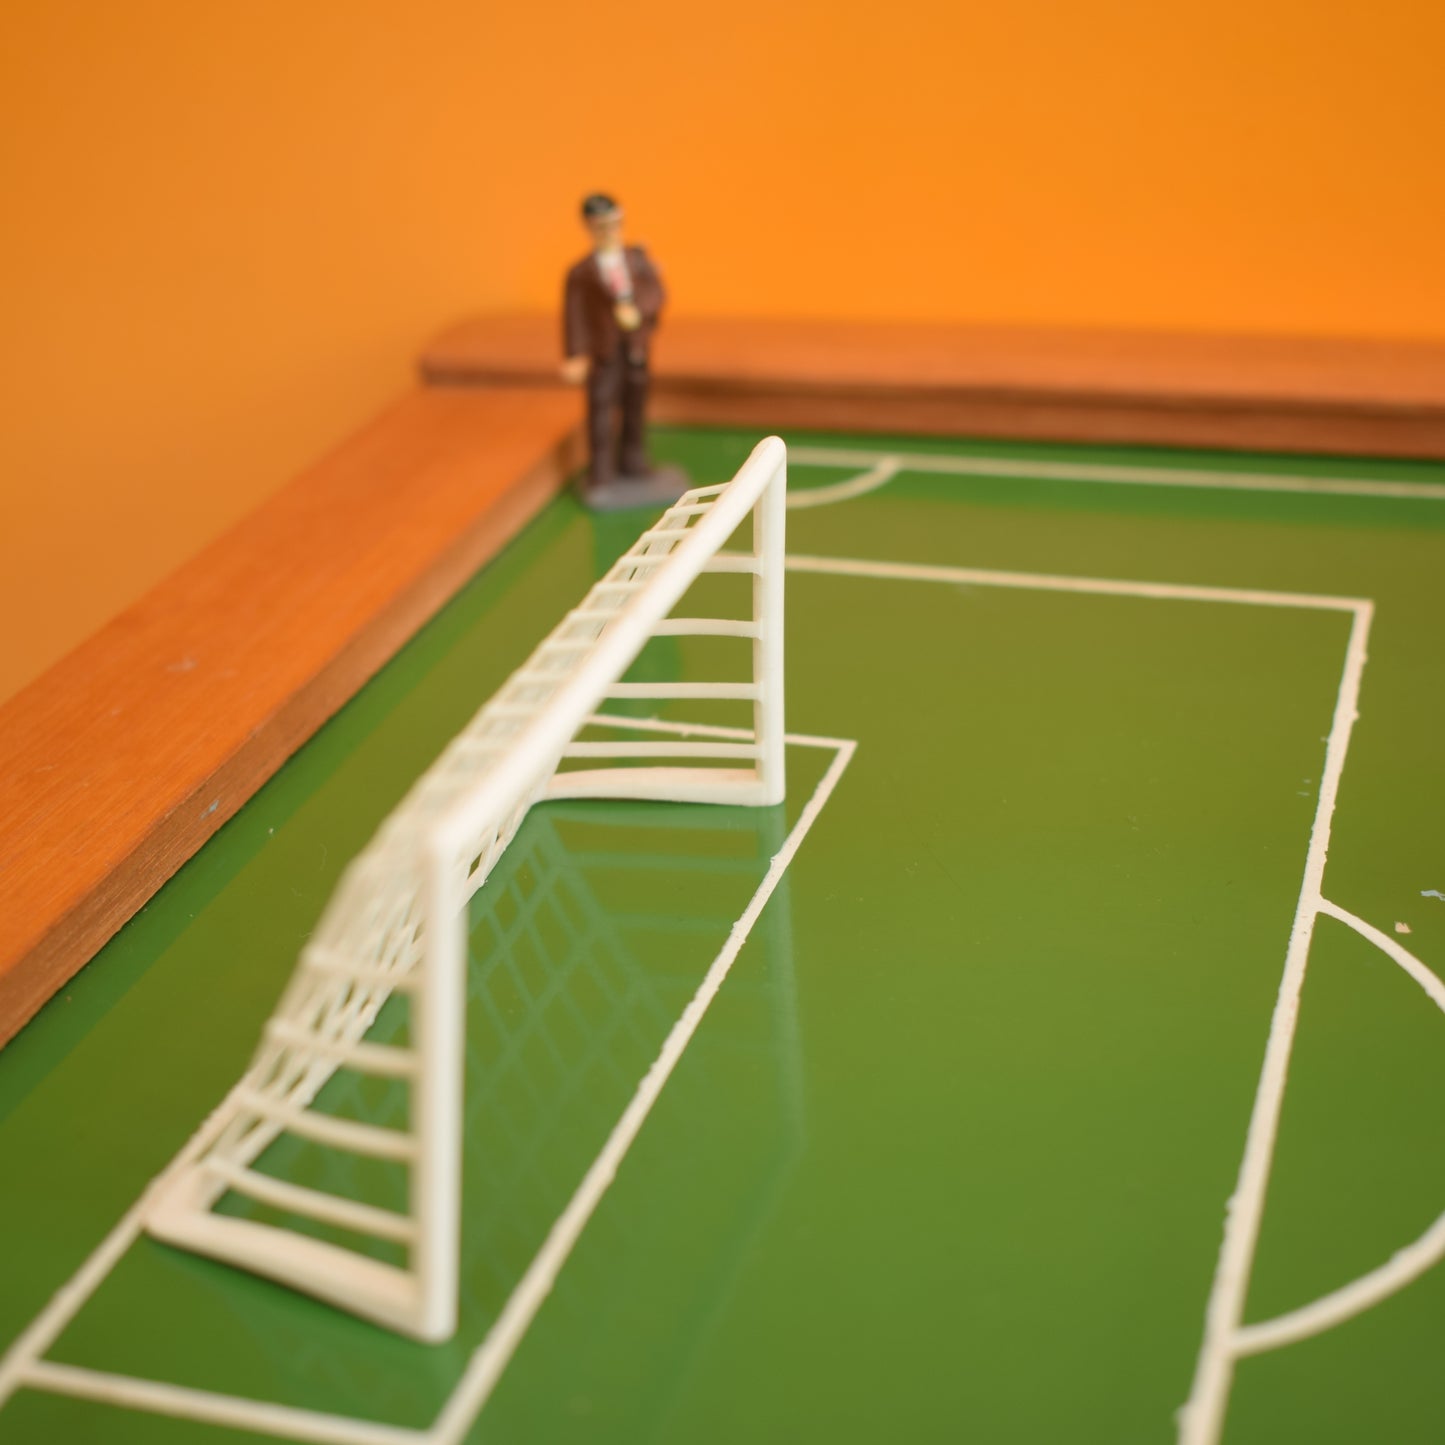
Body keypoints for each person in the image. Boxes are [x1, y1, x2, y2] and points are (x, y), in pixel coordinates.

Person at [561, 194, 687, 508]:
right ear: (589, 227)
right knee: (601, 409)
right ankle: (602, 472)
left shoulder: (638, 260)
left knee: (635, 406)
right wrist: (574, 354)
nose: (609, 231)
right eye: (601, 226)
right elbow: (574, 315)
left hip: (635, 348)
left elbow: (657, 292)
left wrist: (639, 312)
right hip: (604, 351)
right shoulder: (581, 272)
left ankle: (633, 461)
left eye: (614, 224)